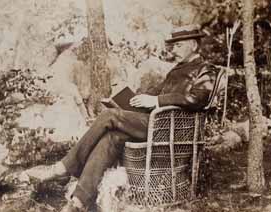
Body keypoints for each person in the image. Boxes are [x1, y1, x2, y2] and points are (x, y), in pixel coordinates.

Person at [26, 24, 217, 212]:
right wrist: (130, 101)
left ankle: (64, 168)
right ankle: (79, 201)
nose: (174, 49)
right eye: (173, 45)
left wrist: (156, 100)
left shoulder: (205, 69)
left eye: (179, 45)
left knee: (110, 116)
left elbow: (198, 98)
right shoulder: (177, 70)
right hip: (157, 123)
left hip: (174, 129)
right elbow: (154, 94)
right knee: (111, 138)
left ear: (193, 45)